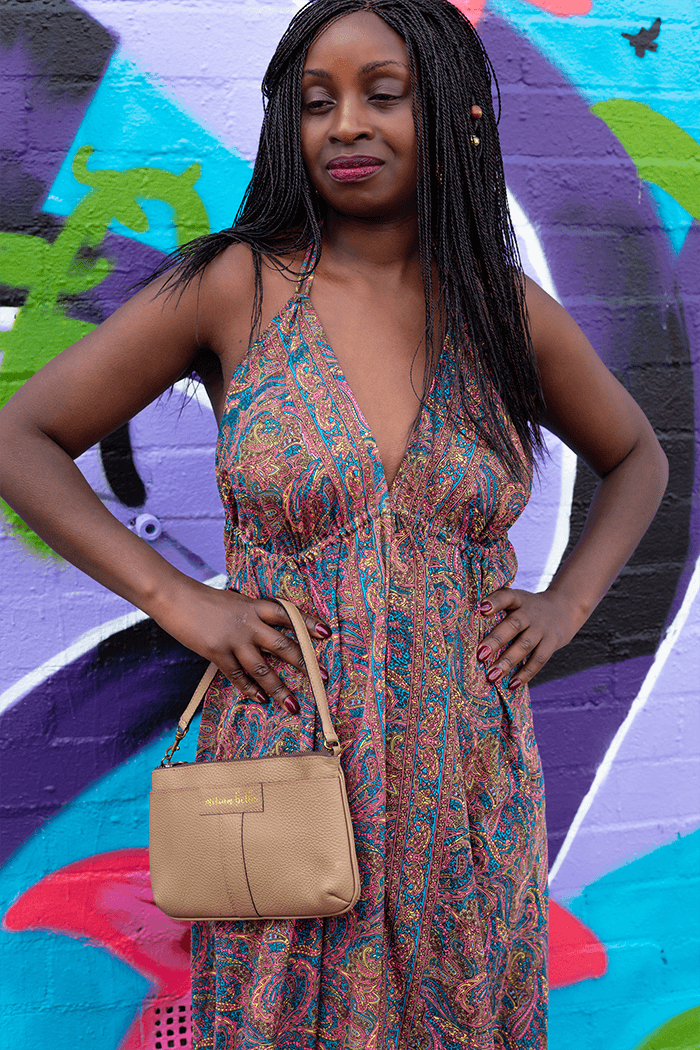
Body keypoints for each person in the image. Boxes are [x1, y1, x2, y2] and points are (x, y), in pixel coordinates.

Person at [0, 0, 668, 1046]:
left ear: (456, 115)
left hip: (469, 776)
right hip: (284, 767)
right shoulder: (236, 289)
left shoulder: (500, 308)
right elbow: (23, 436)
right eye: (316, 103)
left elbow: (638, 455)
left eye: (382, 95)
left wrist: (568, 603)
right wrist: (178, 601)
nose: (345, 124)